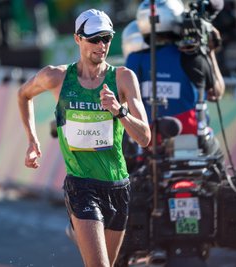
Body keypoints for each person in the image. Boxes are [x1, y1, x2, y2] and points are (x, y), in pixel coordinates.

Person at [17, 8, 151, 267]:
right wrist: (32, 141)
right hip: (81, 186)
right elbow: (23, 95)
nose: (101, 45)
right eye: (94, 38)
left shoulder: (123, 78)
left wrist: (119, 111)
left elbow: (145, 137)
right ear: (78, 39)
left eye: (107, 38)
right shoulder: (56, 77)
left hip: (118, 185)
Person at [125, 0, 225, 160]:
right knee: (218, 164)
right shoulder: (191, 56)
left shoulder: (134, 60)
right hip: (191, 141)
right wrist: (209, 51)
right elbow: (216, 93)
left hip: (148, 144)